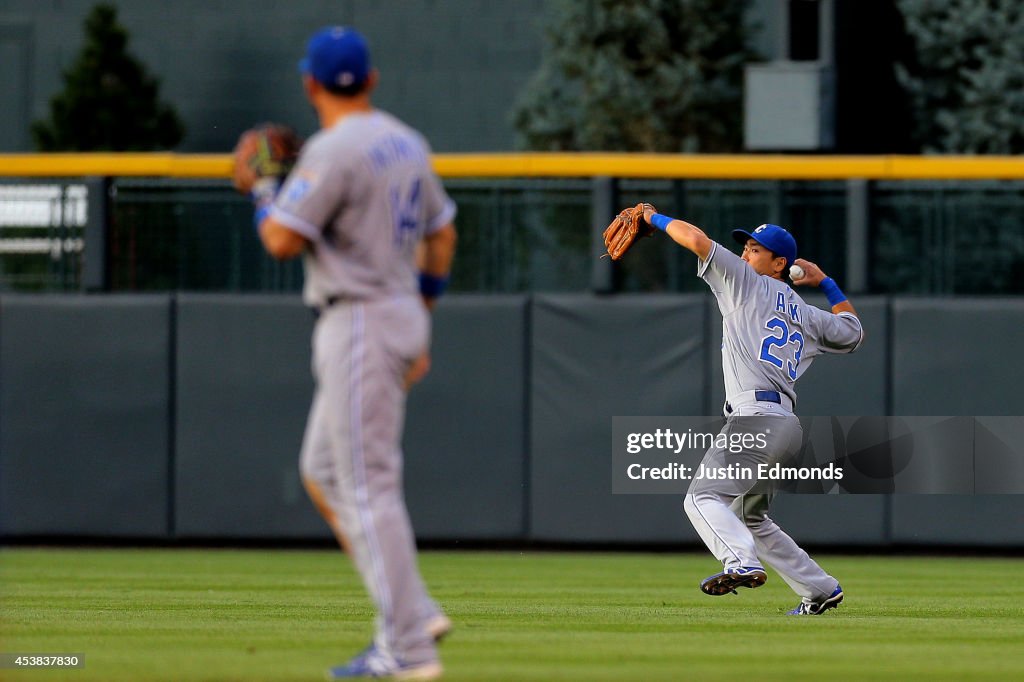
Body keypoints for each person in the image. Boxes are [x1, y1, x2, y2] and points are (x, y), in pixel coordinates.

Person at [246, 26, 457, 679]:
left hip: (359, 318)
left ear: (311, 84)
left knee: (368, 487)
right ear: (370, 80)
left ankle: (408, 650)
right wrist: (418, 317)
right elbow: (443, 235)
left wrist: (259, 190)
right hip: (393, 308)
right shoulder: (406, 140)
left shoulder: (333, 151)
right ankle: (413, 610)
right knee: (326, 470)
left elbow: (280, 239)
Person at [640, 206, 863, 616]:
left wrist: (651, 217)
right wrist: (827, 283)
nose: (745, 255)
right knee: (751, 516)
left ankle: (739, 562)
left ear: (780, 263)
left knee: (701, 498)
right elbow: (852, 333)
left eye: (756, 249)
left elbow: (695, 240)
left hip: (755, 420)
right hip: (785, 427)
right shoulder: (808, 315)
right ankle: (820, 589)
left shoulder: (744, 282)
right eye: (745, 246)